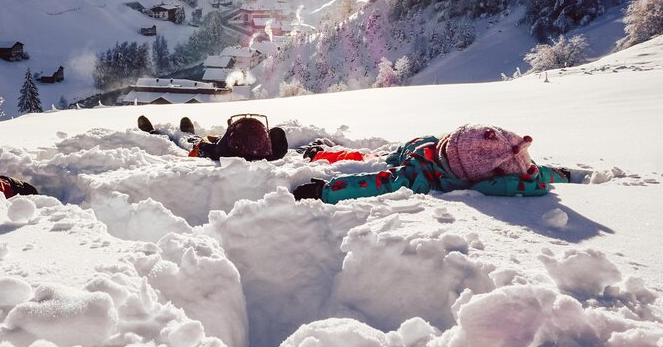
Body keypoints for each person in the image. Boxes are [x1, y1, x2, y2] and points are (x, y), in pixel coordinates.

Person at [293, 124, 571, 203]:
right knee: (371, 158)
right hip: (421, 145)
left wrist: (325, 191)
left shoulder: (420, 174)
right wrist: (564, 175)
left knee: (371, 160)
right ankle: (322, 152)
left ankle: (322, 152)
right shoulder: (511, 162)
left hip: (417, 152)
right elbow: (540, 173)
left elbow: (379, 184)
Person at [138, 114, 289, 161]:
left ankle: (155, 135)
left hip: (214, 148)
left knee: (191, 143)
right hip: (225, 146)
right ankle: (187, 135)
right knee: (202, 140)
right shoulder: (267, 153)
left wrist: (204, 145)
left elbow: (209, 148)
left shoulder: (223, 152)